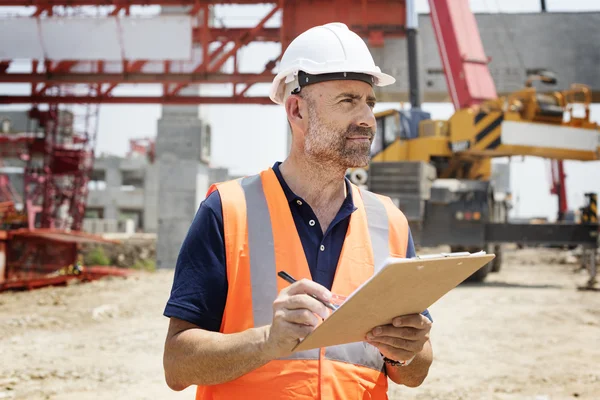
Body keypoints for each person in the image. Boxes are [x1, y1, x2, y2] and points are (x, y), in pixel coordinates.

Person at [162, 22, 433, 399]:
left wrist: (408, 352)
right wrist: (267, 342)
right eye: (347, 101)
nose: (368, 119)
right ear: (297, 111)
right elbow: (177, 366)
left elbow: (415, 372)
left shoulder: (389, 222)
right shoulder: (227, 210)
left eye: (369, 102)